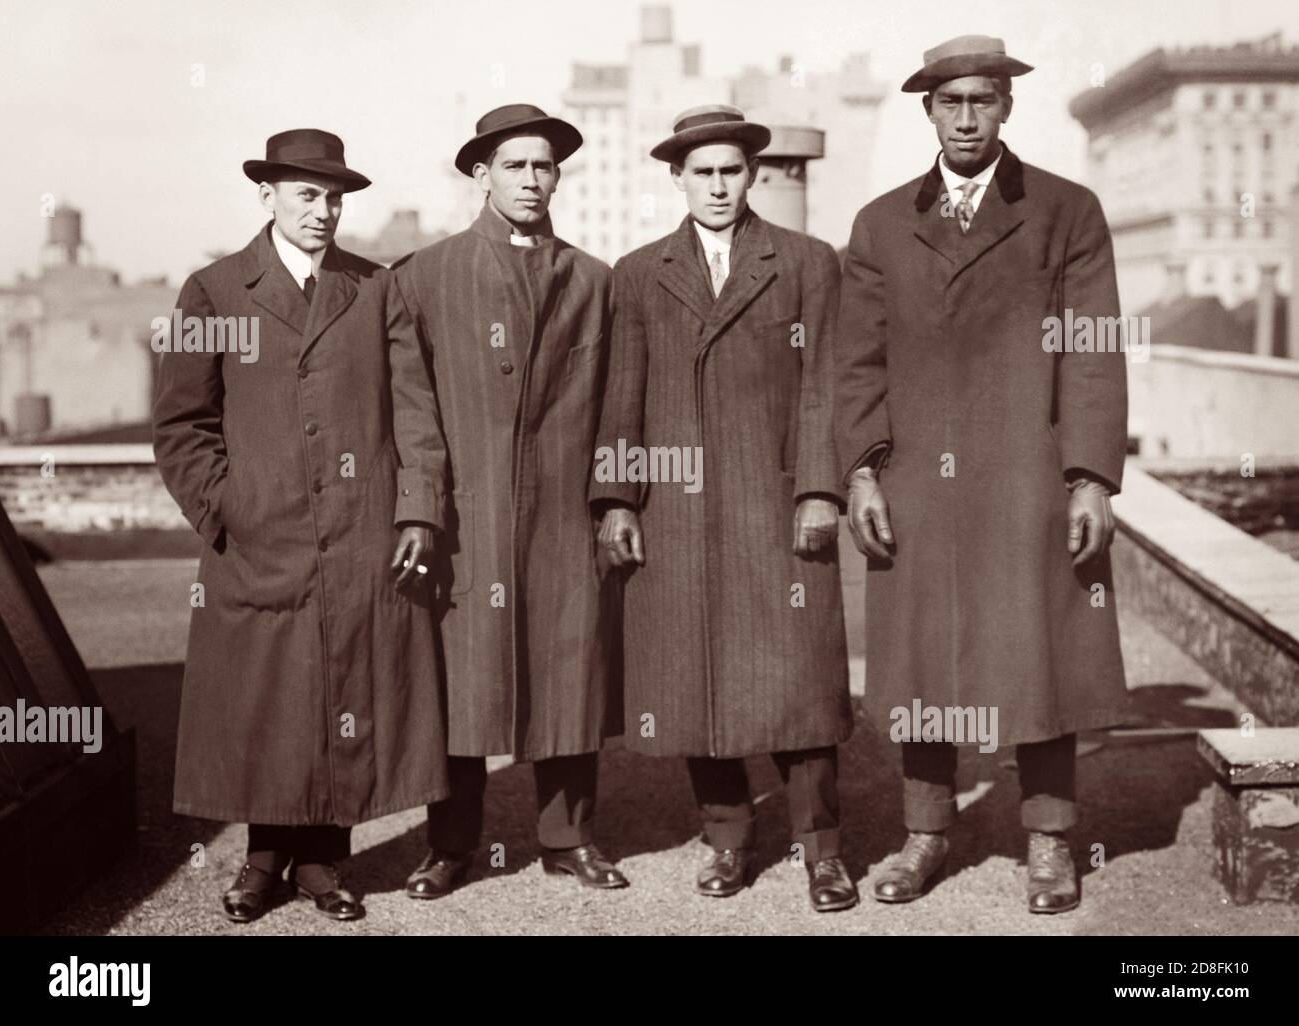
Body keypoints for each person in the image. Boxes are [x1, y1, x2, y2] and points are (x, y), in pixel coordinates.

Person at [836, 36, 1130, 914]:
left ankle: (1049, 842)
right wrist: (859, 471)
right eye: (950, 101)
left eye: (984, 99)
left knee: (1042, 657)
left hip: (1027, 476)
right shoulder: (881, 223)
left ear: (1007, 107)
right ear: (927, 109)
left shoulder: (1066, 210)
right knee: (925, 661)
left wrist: (1089, 477)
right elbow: (856, 362)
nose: (967, 116)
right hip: (918, 479)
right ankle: (926, 834)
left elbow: (1091, 351)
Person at [153, 129, 447, 923]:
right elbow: (181, 425)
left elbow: (416, 411)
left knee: (341, 689)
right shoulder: (212, 291)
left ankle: (323, 864)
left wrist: (417, 506)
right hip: (257, 536)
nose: (324, 211)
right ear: (268, 196)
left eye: (336, 197)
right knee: (265, 697)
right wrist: (228, 505)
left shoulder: (378, 287)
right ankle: (262, 861)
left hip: (360, 535)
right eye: (308, 195)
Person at [594, 105, 856, 912]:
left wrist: (819, 488)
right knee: (692, 678)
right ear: (677, 178)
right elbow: (620, 398)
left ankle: (823, 851)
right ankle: (726, 840)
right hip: (675, 510)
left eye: (731, 171)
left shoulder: (808, 262)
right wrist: (617, 499)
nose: (717, 186)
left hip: (774, 504)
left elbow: (827, 390)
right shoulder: (637, 273)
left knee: (801, 684)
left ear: (753, 175)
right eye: (701, 172)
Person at [390, 104, 627, 898]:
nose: (532, 180)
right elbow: (410, 406)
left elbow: (617, 404)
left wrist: (612, 501)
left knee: (570, 670)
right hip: (468, 517)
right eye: (516, 166)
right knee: (459, 682)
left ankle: (569, 838)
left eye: (545, 166)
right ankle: (451, 845)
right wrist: (421, 507)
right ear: (481, 174)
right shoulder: (426, 275)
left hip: (563, 517)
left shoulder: (593, 280)